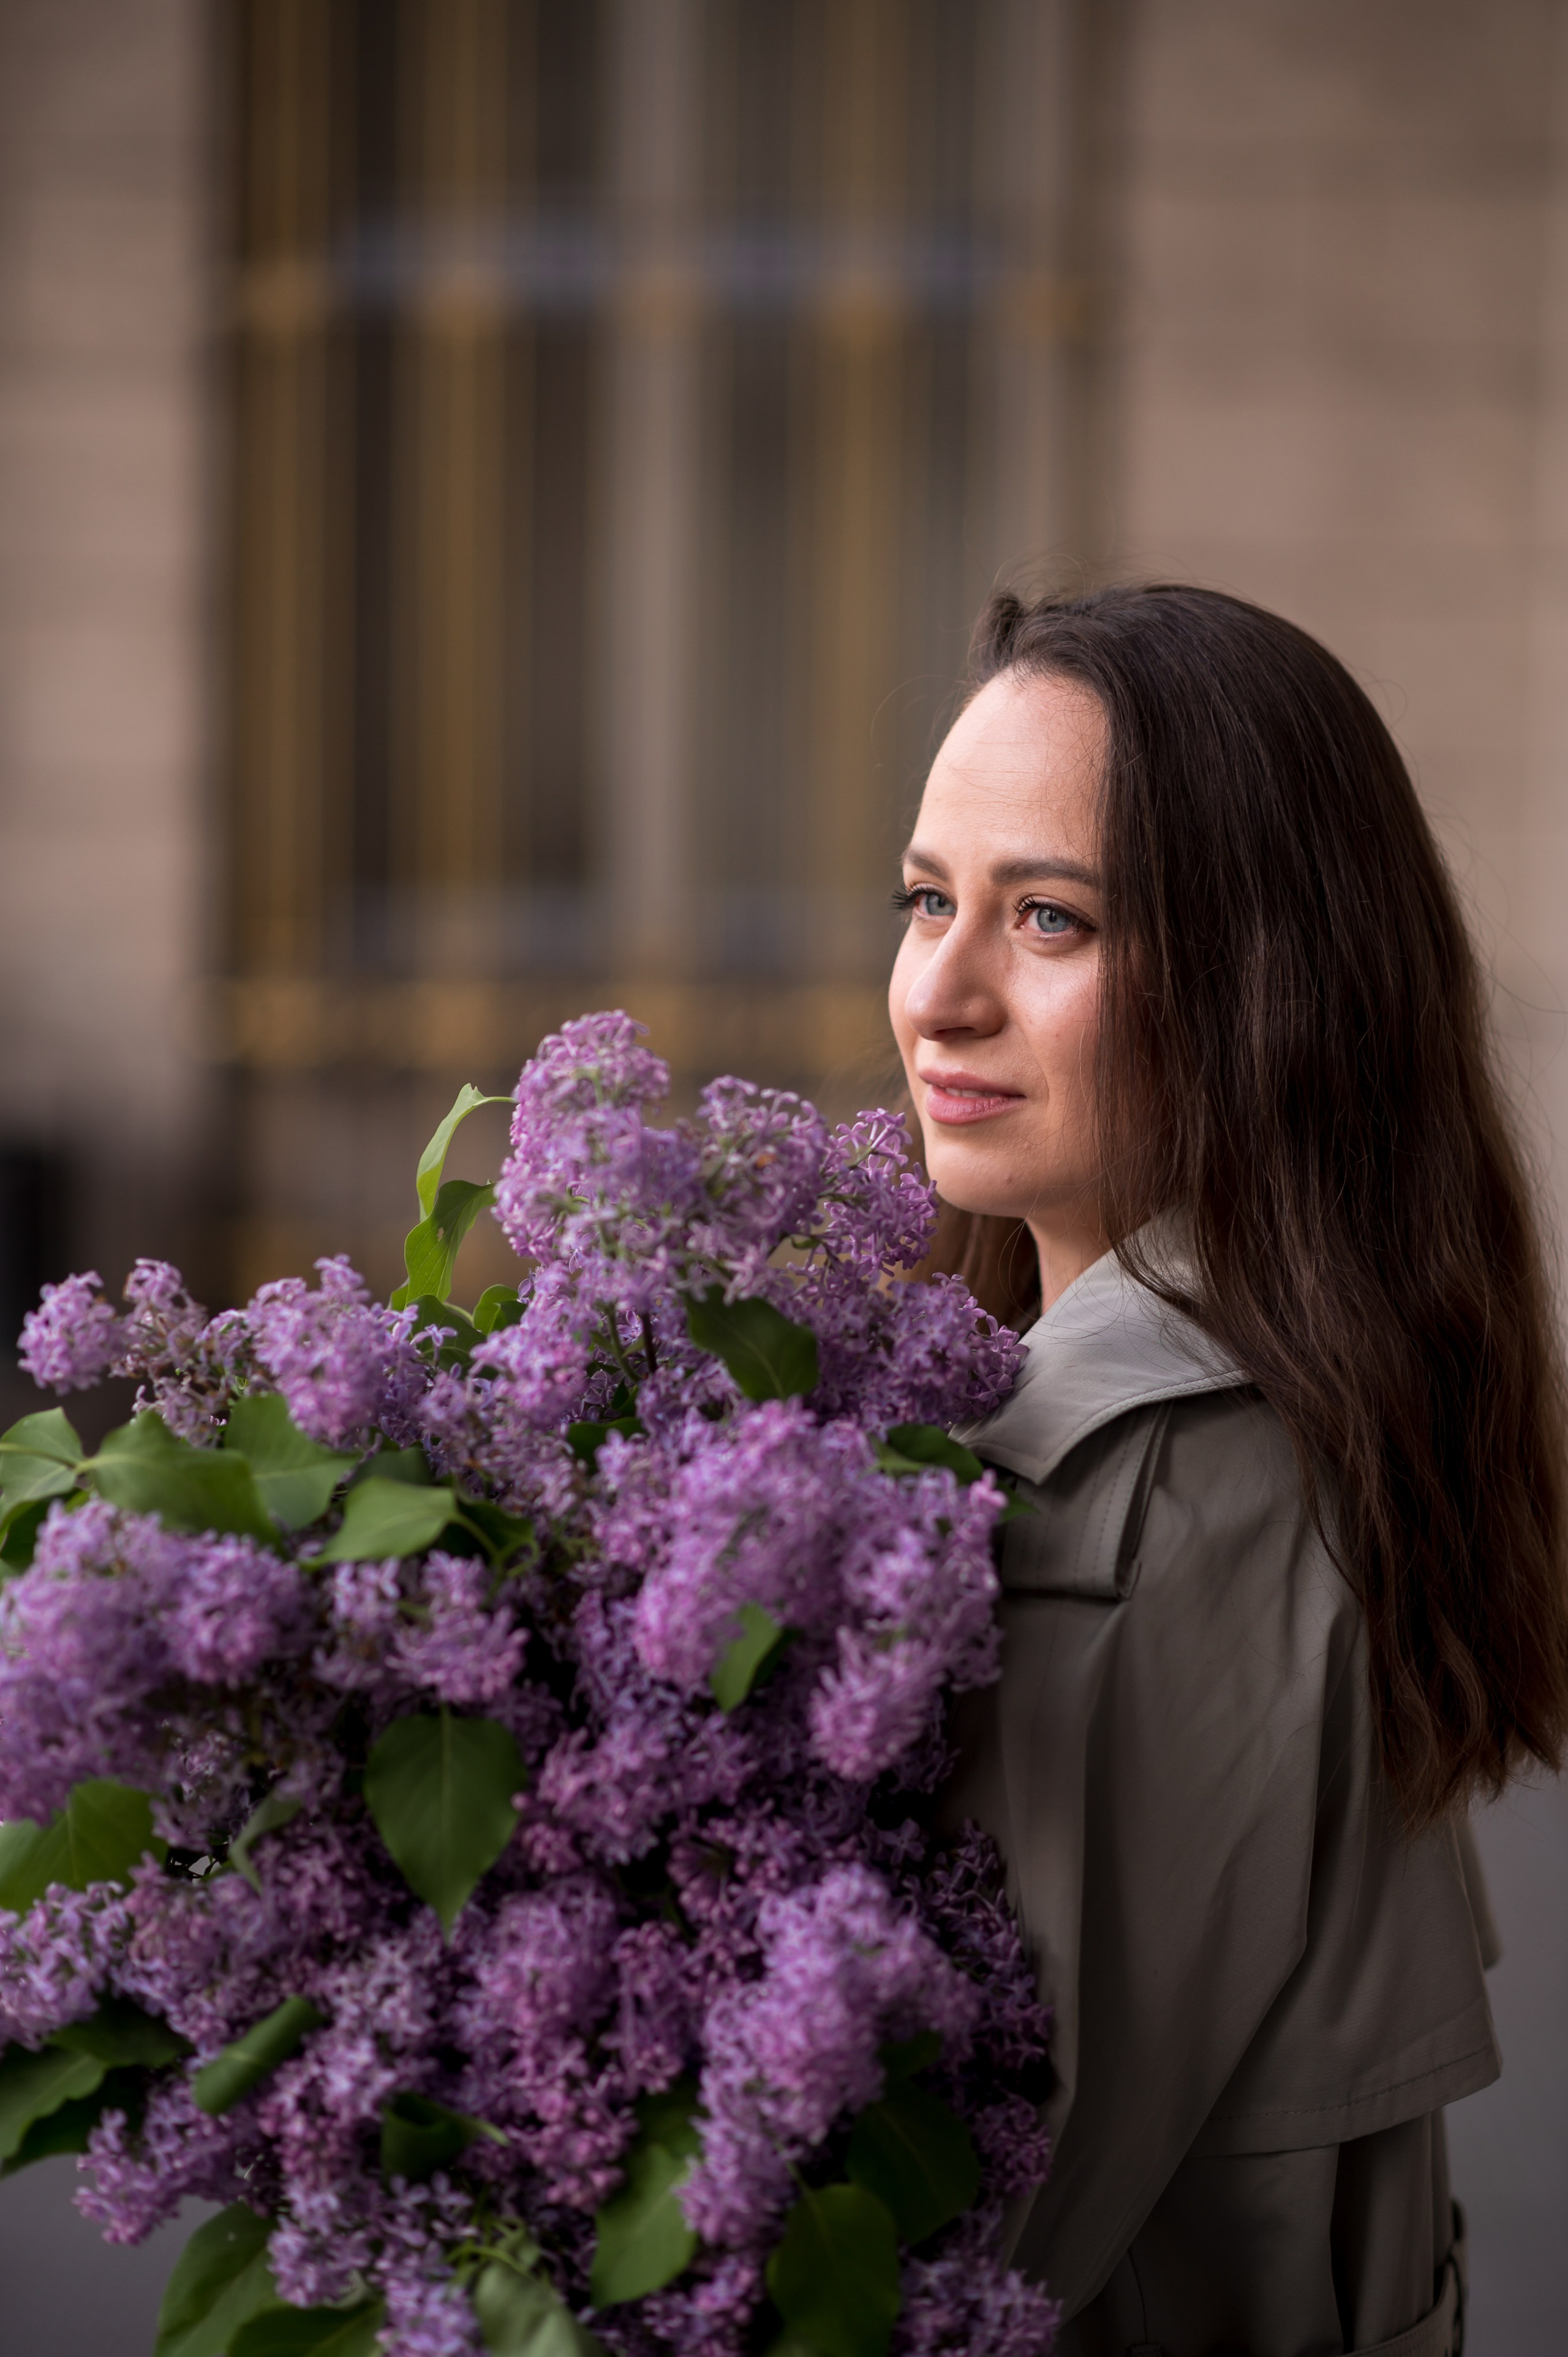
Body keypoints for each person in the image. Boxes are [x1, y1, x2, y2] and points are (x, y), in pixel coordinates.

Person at [888, 584, 1568, 2357]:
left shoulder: (1158, 1491)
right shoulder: (1247, 1405)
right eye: (926, 900)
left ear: (1269, 983)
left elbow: (967, 2232)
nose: (941, 995)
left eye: (1048, 920)